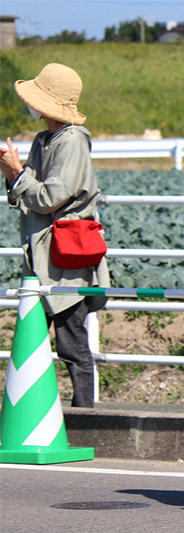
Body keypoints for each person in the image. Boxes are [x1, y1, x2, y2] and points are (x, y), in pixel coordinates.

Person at [0, 63, 109, 408]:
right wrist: (12, 174)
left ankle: (86, 417)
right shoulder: (44, 139)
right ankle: (37, 413)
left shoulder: (72, 141)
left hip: (65, 258)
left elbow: (48, 198)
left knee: (71, 342)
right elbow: (23, 193)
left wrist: (18, 174)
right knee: (31, 341)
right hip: (42, 256)